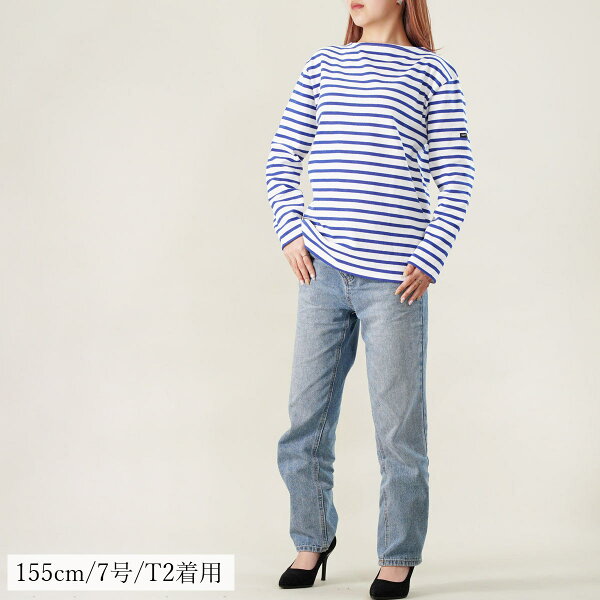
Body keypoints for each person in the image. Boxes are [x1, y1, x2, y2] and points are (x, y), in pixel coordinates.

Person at [265, 0, 475, 597]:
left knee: (398, 430)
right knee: (305, 418)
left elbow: (457, 172)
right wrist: (291, 231)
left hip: (394, 282)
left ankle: (398, 554)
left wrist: (430, 255)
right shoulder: (324, 65)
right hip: (321, 272)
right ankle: (311, 539)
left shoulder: (433, 72)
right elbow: (283, 157)